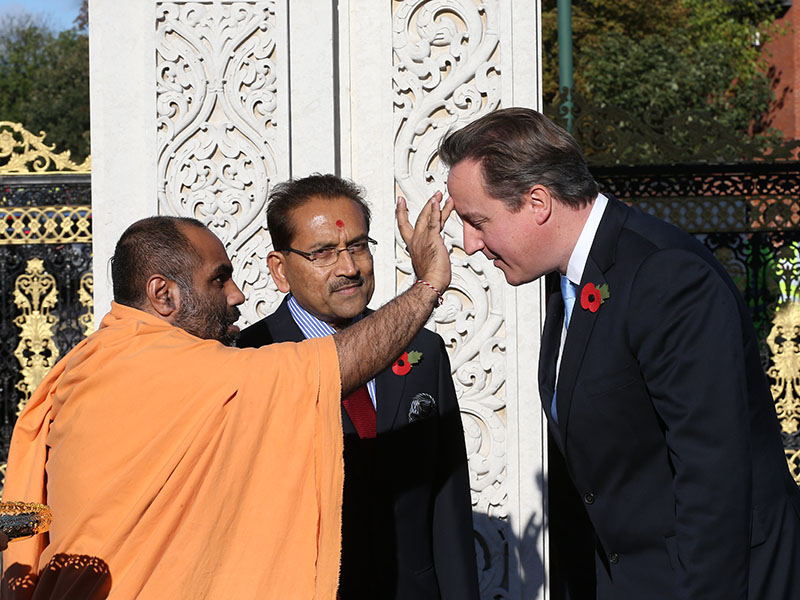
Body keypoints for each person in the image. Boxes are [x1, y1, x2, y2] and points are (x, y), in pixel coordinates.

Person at [1, 193, 452, 600]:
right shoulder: (184, 370)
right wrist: (428, 283)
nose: (237, 295)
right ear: (164, 294)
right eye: (219, 280)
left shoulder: (89, 362)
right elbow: (336, 364)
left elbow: (31, 515)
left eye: (357, 247)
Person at [438, 107, 800, 599]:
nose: (470, 244)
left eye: (477, 221)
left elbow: (712, 475)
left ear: (537, 201)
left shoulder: (665, 276)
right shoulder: (570, 279)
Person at [237, 174, 479, 599]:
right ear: (280, 269)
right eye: (324, 253)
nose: (349, 268)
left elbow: (448, 505)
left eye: (358, 246)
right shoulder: (250, 356)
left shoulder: (422, 349)